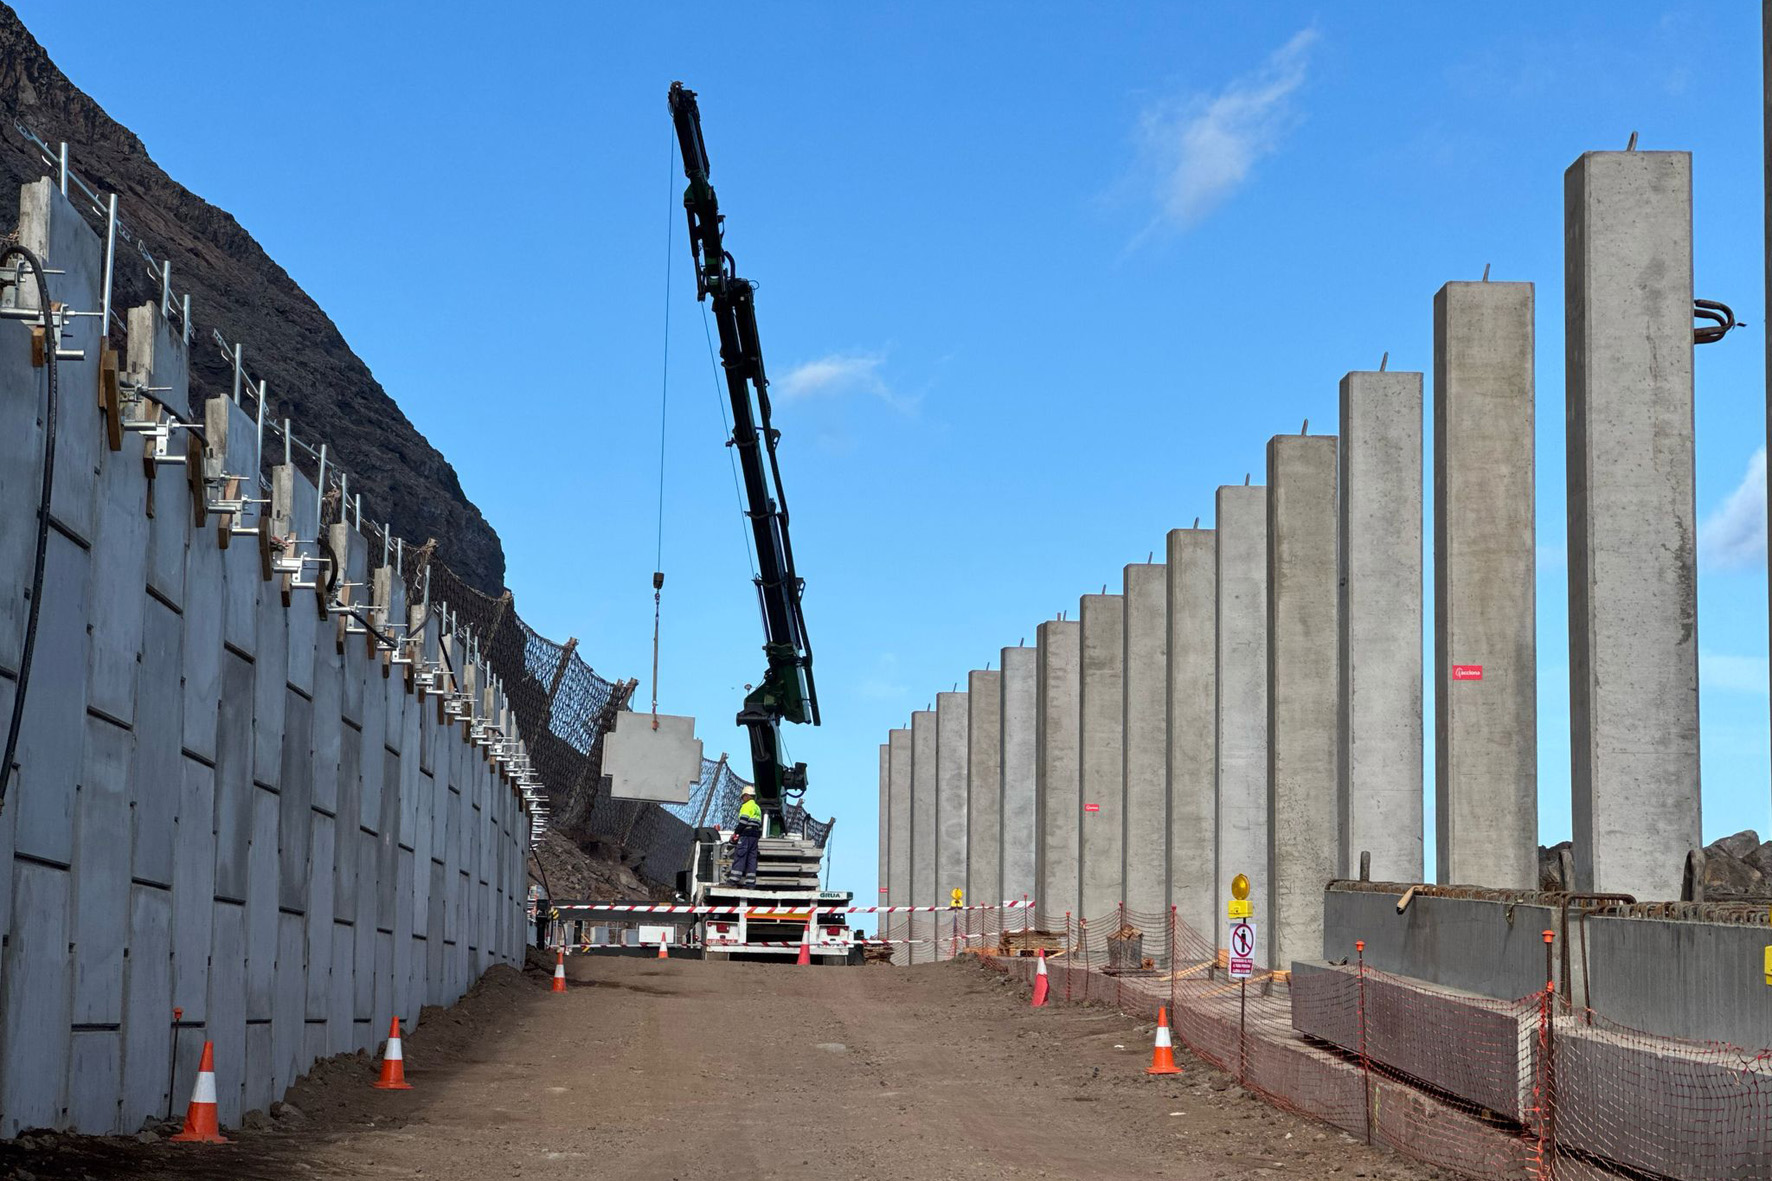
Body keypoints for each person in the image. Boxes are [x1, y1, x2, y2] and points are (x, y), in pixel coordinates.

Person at [727, 785, 763, 887]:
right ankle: (750, 882)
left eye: (743, 797)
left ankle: (734, 880)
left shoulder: (746, 806)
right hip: (754, 837)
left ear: (746, 796)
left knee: (740, 856)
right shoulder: (757, 808)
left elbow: (743, 822)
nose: (742, 799)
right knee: (752, 858)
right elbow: (759, 824)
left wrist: (736, 833)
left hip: (746, 835)